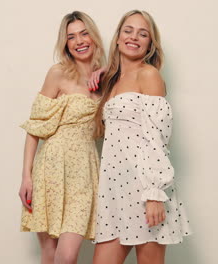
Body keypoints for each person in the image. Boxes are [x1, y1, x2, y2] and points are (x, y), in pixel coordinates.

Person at [92, 10, 191, 264]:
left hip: (145, 190)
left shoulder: (149, 75)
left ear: (150, 44)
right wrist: (101, 73)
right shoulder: (112, 80)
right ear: (117, 37)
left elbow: (156, 139)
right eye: (128, 30)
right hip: (113, 194)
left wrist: (154, 194)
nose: (134, 37)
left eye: (142, 33)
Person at [18, 11, 105, 264]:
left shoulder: (107, 79)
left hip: (85, 174)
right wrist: (26, 176)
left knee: (66, 256)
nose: (79, 41)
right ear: (65, 43)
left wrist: (108, 68)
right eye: (71, 37)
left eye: (84, 33)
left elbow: (131, 67)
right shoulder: (58, 73)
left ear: (94, 37)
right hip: (51, 169)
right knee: (50, 254)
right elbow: (35, 127)